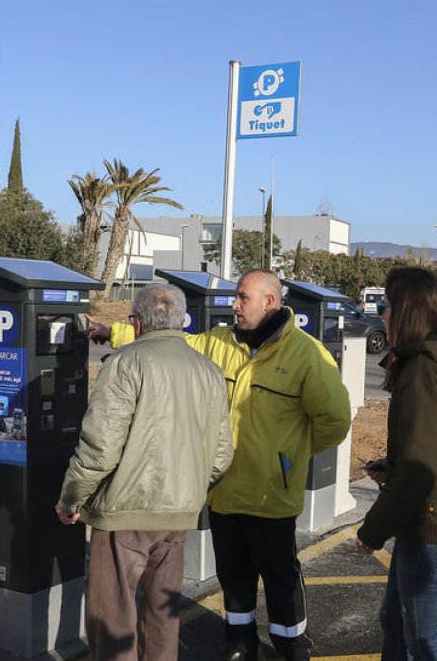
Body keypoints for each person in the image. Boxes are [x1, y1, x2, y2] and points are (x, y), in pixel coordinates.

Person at [89, 269, 352, 661]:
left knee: (279, 577)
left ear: (270, 302)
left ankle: (291, 645)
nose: (234, 305)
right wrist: (115, 332)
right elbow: (177, 342)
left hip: (271, 494)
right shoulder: (221, 342)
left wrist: (289, 456)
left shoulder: (306, 354)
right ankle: (239, 643)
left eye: (243, 298)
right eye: (235, 297)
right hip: (224, 489)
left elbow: (335, 420)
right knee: (234, 576)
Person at [57, 284, 234, 661]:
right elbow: (221, 456)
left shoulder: (126, 363)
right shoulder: (209, 370)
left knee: (113, 618)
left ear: (137, 324)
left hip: (124, 514)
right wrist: (190, 491)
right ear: (180, 321)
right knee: (163, 616)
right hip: (179, 514)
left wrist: (72, 497)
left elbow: (100, 447)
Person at [354, 266, 437, 661]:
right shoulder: (434, 361)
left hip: (432, 526)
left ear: (405, 310)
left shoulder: (424, 371)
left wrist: (371, 531)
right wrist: (392, 466)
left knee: (423, 644)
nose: (382, 314)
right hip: (431, 518)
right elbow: (434, 449)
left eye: (387, 305)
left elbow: (420, 470)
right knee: (394, 622)